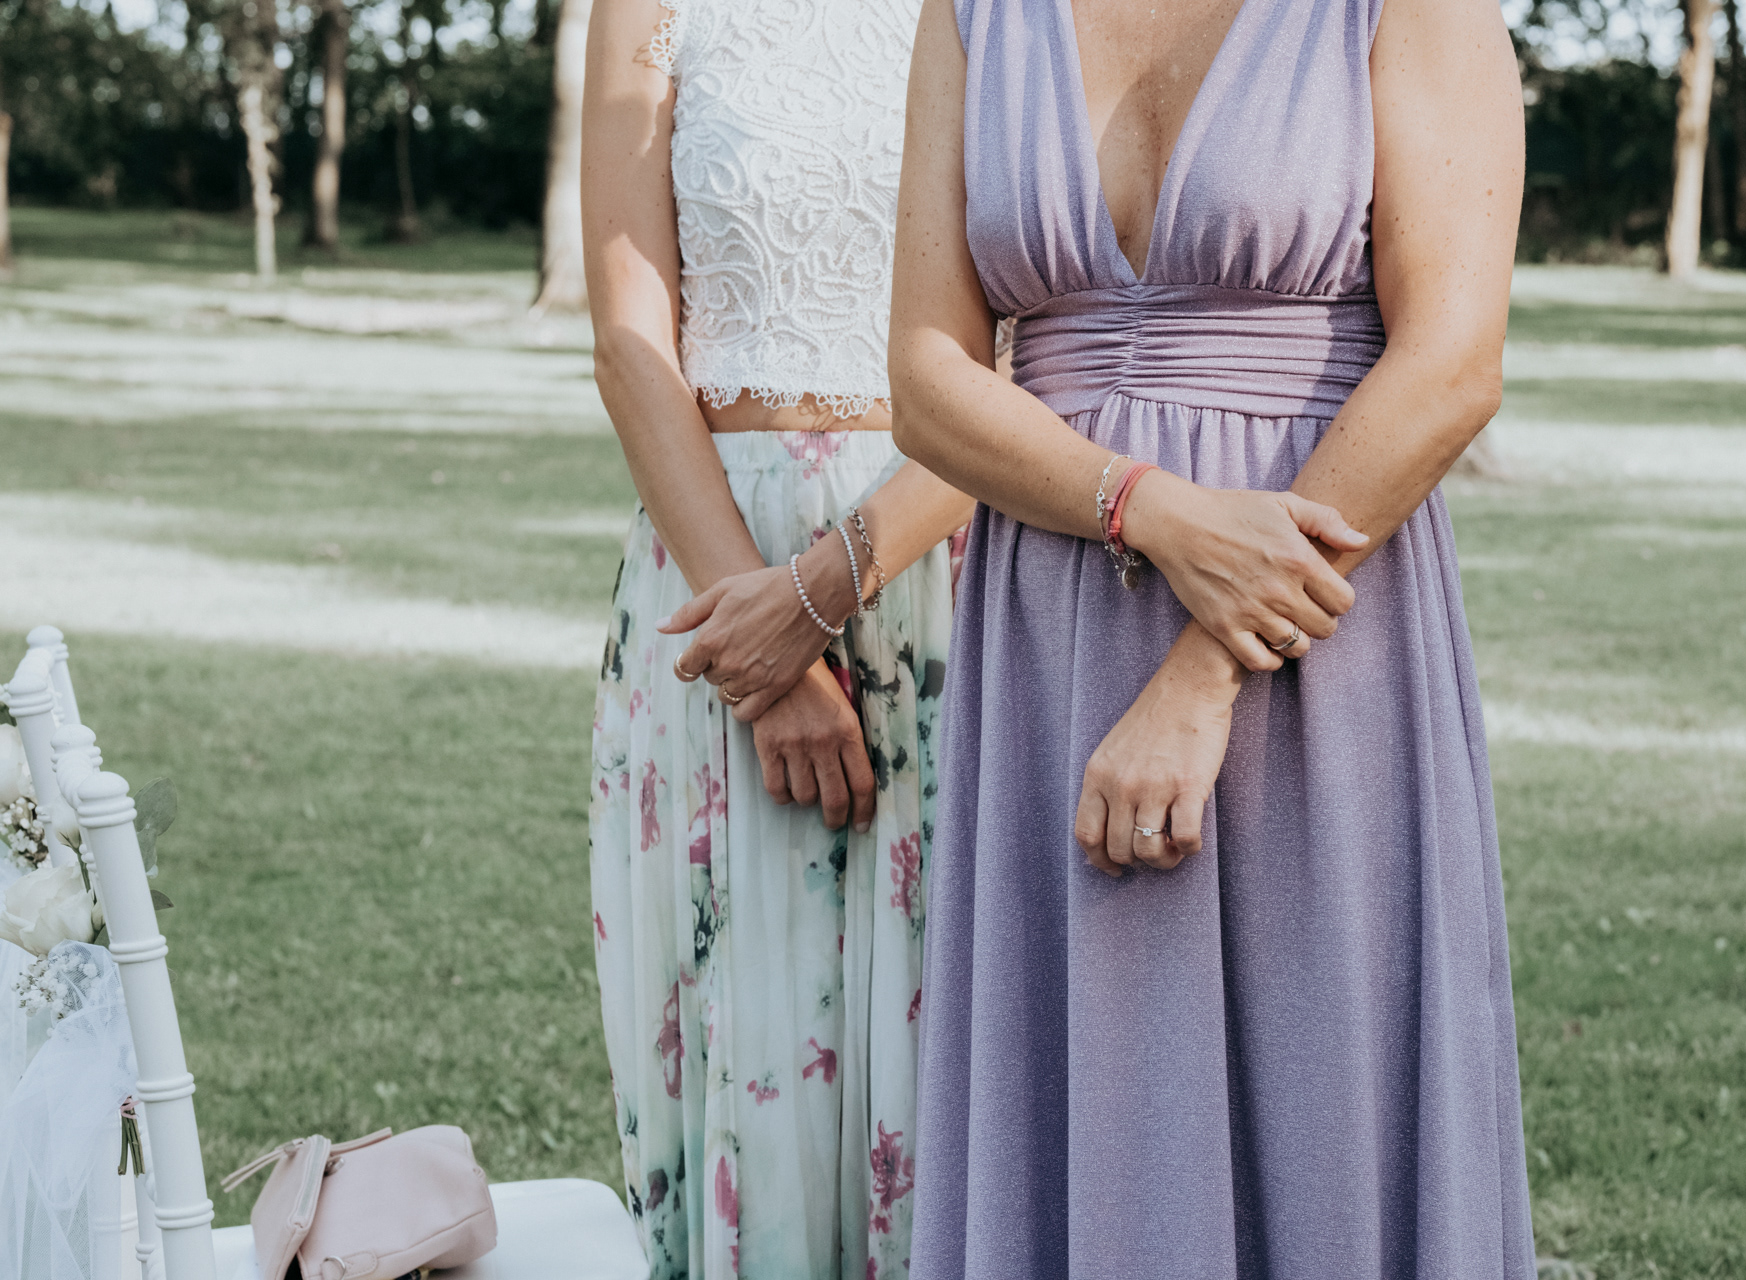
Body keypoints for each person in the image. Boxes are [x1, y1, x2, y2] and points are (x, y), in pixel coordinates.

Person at [890, 0, 1532, 1272]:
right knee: (1077, 1077)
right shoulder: (972, 14)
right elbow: (925, 378)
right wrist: (1148, 508)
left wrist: (1205, 668)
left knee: (1323, 1084)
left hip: (1315, 624)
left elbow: (1453, 363)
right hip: (1053, 621)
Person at [579, 0, 976, 1269]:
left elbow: (1032, 349)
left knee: (951, 1048)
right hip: (715, 569)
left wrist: (824, 590)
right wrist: (763, 644)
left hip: (943, 568)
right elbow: (630, 338)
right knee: (749, 1057)